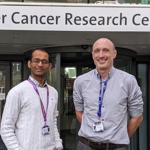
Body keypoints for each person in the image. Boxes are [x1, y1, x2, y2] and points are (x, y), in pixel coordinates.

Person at [73, 38, 143, 150]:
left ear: (114, 54)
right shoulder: (80, 81)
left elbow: (137, 117)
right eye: (97, 51)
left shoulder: (128, 81)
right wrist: (91, 131)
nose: (101, 55)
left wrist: (119, 138)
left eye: (106, 50)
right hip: (85, 146)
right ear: (92, 55)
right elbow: (78, 112)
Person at [1, 48, 63, 150]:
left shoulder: (53, 92)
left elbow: (53, 121)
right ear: (29, 64)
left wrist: (58, 145)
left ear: (50, 66)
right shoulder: (17, 92)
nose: (40, 64)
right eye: (36, 61)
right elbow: (6, 128)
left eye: (44, 61)